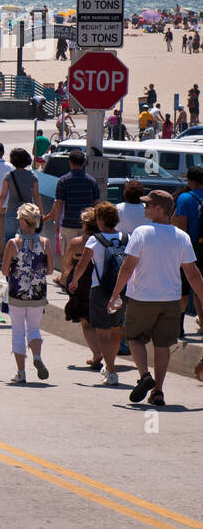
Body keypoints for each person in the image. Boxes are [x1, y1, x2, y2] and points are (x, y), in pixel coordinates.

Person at [106, 190, 203, 406]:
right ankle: (158, 391)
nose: (145, 208)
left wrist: (114, 295)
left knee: (135, 338)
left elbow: (127, 267)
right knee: (162, 345)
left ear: (160, 209)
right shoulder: (181, 236)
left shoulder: (141, 232)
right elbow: (192, 273)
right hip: (170, 300)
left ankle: (144, 376)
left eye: (149, 205)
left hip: (141, 297)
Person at [68, 202, 128, 385]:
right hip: (121, 289)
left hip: (100, 289)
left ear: (100, 220)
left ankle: (111, 371)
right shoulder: (126, 238)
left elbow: (82, 264)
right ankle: (111, 364)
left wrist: (74, 281)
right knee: (116, 330)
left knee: (102, 332)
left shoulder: (95, 239)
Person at [0, 203, 54, 384]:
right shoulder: (45, 243)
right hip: (38, 293)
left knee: (18, 331)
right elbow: (50, 270)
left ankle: (21, 372)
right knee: (33, 329)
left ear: (22, 221)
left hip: (17, 292)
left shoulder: (13, 244)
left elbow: (5, 270)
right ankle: (36, 356)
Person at [60, 208, 102, 371]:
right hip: (99, 281)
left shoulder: (76, 242)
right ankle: (103, 352)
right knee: (101, 320)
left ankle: (96, 353)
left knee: (86, 321)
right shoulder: (103, 241)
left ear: (84, 224)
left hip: (81, 282)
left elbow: (66, 263)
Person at [45, 149, 101, 249]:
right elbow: (96, 204)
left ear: (70, 163)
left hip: (68, 224)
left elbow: (59, 203)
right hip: (87, 226)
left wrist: (56, 224)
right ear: (84, 163)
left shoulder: (63, 181)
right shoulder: (92, 181)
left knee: (67, 257)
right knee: (85, 257)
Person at [172, 165, 203, 337]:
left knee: (183, 289)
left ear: (190, 181)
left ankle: (179, 328)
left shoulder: (185, 198)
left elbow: (182, 226)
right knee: (201, 288)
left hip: (191, 248)